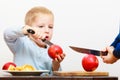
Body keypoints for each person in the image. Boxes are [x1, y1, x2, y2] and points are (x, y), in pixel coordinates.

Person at [3, 6, 66, 75]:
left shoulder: (51, 51)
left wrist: (56, 64)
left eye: (50, 27)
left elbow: (54, 75)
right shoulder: (21, 44)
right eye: (41, 26)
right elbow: (7, 34)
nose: (47, 31)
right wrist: (26, 30)